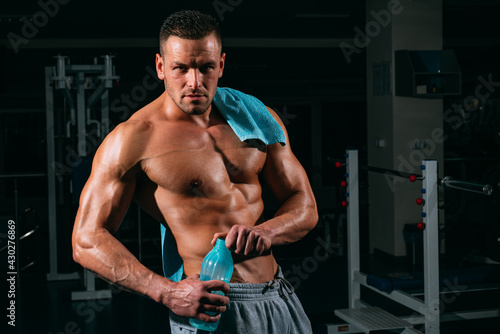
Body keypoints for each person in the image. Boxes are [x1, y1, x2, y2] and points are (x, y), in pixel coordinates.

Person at [72, 9, 318, 334]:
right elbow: (86, 240)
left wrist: (267, 232)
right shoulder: (133, 138)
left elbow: (305, 204)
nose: (195, 82)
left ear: (222, 64)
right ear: (160, 67)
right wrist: (166, 291)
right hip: (209, 307)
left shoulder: (258, 118)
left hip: (277, 295)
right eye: (181, 69)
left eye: (206, 68)